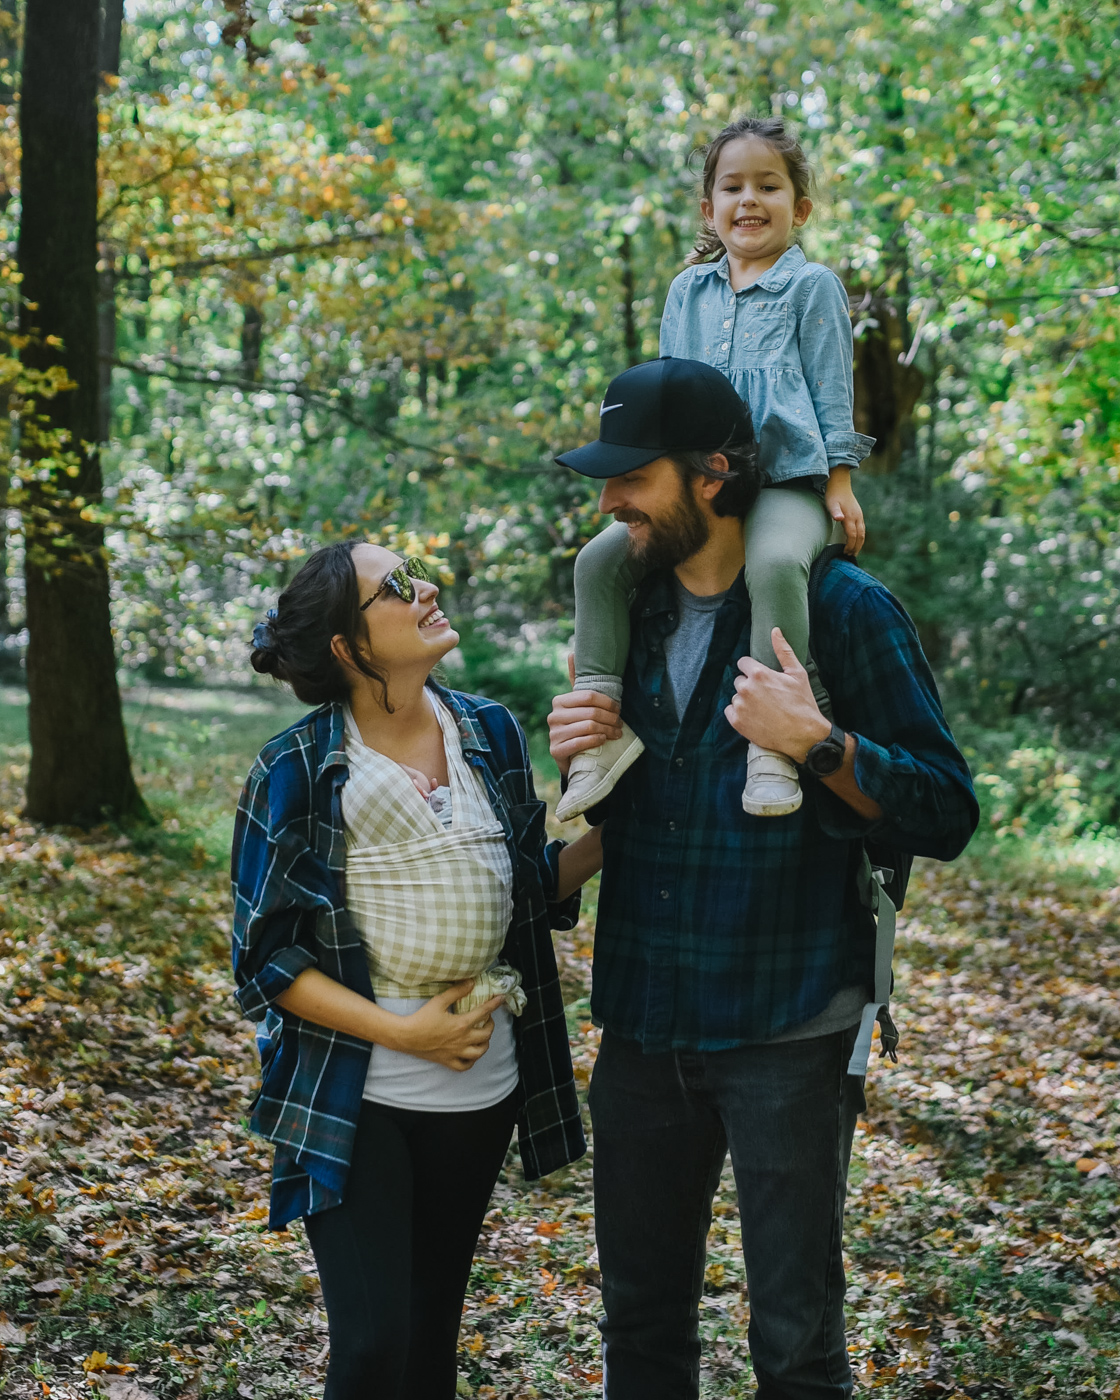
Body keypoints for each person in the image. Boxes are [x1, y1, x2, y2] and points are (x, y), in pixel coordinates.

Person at [548, 357, 978, 1400]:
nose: (607, 503)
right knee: (640, 1325)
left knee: (794, 1341)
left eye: (629, 478)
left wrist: (819, 740)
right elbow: (606, 822)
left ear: (712, 473)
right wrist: (575, 758)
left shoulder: (843, 608)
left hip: (787, 1027)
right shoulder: (626, 611)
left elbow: (946, 810)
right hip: (645, 1025)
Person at [231, 540, 602, 1400]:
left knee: (431, 1336)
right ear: (346, 646)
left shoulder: (490, 732)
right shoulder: (295, 768)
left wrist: (616, 829)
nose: (427, 587)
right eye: (396, 586)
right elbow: (266, 959)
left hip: (484, 1088)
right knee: (372, 1349)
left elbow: (525, 889)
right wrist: (404, 1032)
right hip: (352, 1091)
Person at [558, 114, 876, 825]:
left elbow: (830, 392)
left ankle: (774, 741)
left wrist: (840, 484)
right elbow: (669, 402)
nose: (749, 200)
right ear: (709, 208)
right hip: (701, 483)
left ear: (800, 208)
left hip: (785, 479)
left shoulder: (811, 286)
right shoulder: (687, 293)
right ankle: (601, 730)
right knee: (598, 563)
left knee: (771, 566)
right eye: (732, 186)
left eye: (769, 185)